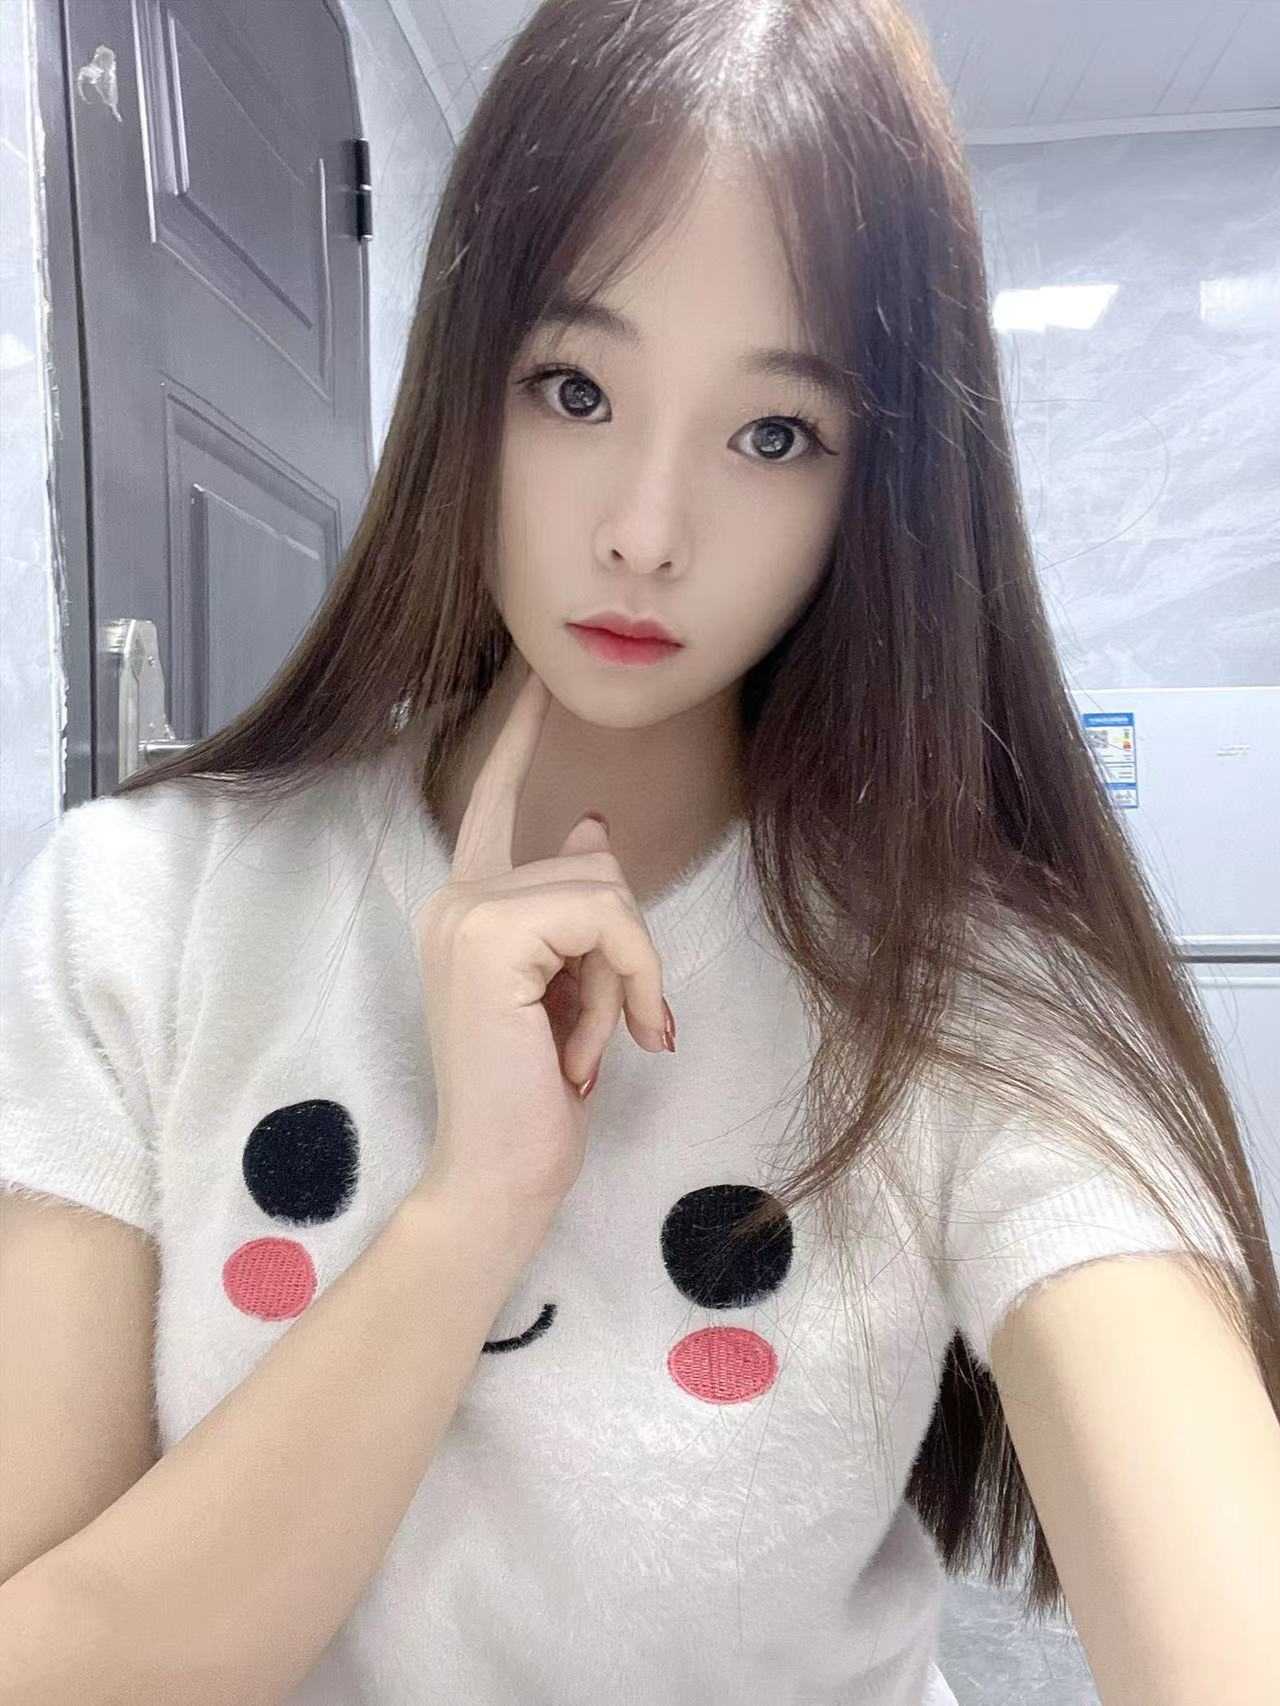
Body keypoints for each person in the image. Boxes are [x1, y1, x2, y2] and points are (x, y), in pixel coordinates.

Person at [1, 2, 1276, 1703]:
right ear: (467, 384)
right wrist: (469, 1213)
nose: (646, 529)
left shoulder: (970, 995)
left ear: (880, 484)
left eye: (774, 433)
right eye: (577, 388)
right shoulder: (144, 904)